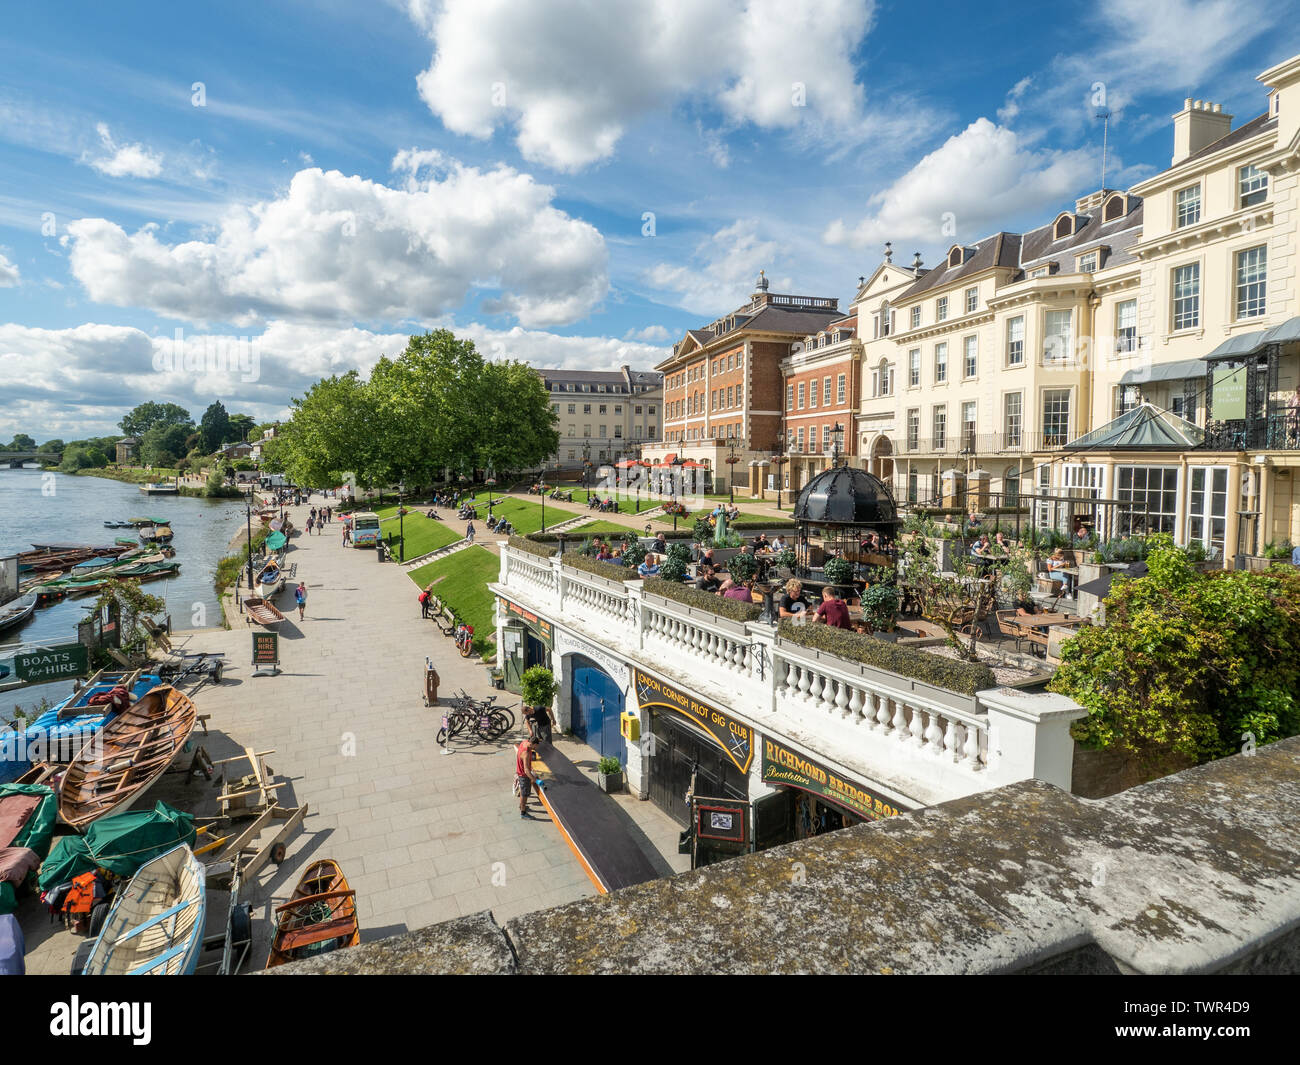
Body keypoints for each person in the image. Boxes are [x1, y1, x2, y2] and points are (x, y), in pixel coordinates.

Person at [515, 737, 538, 818]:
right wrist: (534, 780)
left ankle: (521, 806)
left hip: (519, 771)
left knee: (522, 791)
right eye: (535, 747)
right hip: (524, 776)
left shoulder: (525, 742)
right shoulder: (526, 753)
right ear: (533, 744)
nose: (535, 748)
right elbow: (526, 770)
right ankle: (523, 813)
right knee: (524, 794)